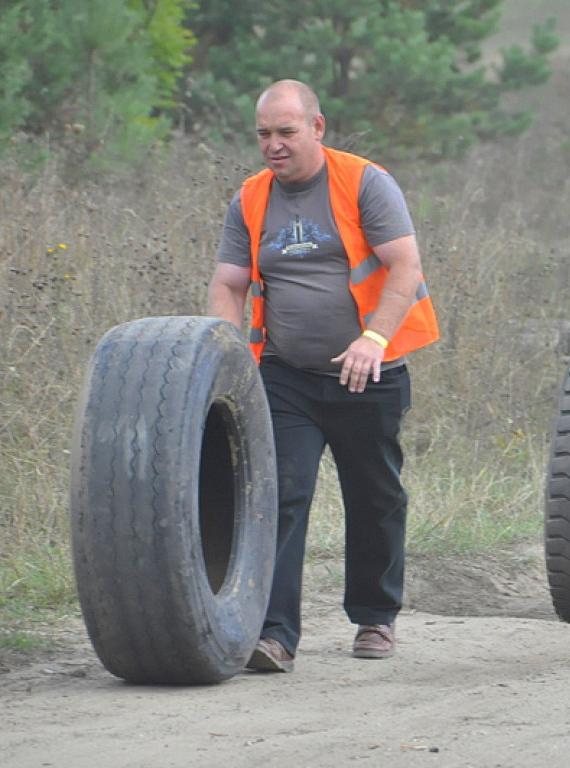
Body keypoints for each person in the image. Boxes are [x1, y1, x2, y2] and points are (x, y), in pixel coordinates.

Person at [207, 79, 439, 672]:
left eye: (286, 132)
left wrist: (374, 339)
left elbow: (404, 267)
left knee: (375, 494)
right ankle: (275, 633)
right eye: (263, 134)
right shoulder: (250, 198)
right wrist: (228, 355)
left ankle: (374, 617)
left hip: (370, 372)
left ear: (317, 127)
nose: (273, 145)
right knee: (280, 493)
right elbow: (230, 282)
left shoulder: (365, 182)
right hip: (287, 375)